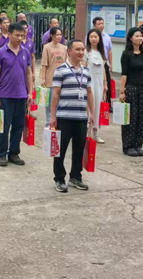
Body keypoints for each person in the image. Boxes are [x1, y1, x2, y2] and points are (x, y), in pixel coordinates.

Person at [50, 39, 94, 192]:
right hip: (64, 117)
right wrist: (53, 116)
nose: (81, 52)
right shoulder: (60, 70)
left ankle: (76, 177)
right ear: (69, 51)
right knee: (60, 150)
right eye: (77, 49)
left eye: (82, 49)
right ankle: (59, 178)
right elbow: (55, 94)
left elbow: (89, 93)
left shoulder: (86, 71)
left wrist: (92, 113)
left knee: (79, 149)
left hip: (81, 117)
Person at [0, 22, 34, 167]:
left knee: (18, 126)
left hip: (21, 96)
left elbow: (28, 73)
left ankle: (14, 153)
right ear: (9, 34)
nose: (19, 38)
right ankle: (2, 154)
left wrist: (30, 93)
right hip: (5, 96)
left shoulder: (25, 52)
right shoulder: (0, 53)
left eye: (22, 36)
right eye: (17, 35)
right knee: (4, 127)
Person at [120, 27, 143, 157]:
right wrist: (122, 91)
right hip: (131, 88)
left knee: (141, 117)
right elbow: (124, 74)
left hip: (141, 88)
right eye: (137, 36)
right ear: (130, 38)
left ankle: (138, 145)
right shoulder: (126, 54)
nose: (140, 38)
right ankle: (128, 146)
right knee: (130, 118)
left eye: (141, 36)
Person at [39, 27, 67, 127]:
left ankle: (59, 124)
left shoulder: (64, 48)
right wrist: (43, 78)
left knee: (61, 103)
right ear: (51, 35)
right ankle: (49, 124)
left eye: (60, 35)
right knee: (50, 104)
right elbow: (44, 64)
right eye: (57, 34)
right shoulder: (47, 47)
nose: (59, 37)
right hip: (50, 79)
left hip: (62, 79)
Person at [84, 29, 107, 143]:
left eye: (95, 37)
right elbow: (83, 68)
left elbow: (103, 70)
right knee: (89, 108)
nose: (93, 39)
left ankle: (95, 133)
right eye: (91, 37)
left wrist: (105, 83)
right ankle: (86, 133)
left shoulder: (101, 52)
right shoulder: (86, 52)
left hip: (99, 83)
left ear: (99, 38)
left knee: (97, 107)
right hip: (89, 82)